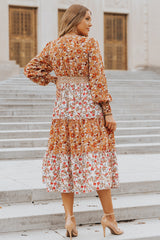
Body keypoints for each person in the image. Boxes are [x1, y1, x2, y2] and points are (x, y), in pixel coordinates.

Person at [24, 4, 124, 239]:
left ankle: (69, 218)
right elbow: (98, 80)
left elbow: (31, 69)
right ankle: (109, 216)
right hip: (88, 111)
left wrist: (54, 79)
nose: (91, 23)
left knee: (66, 162)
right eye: (87, 19)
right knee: (98, 161)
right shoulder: (89, 44)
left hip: (63, 114)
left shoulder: (54, 45)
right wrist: (108, 112)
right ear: (75, 19)